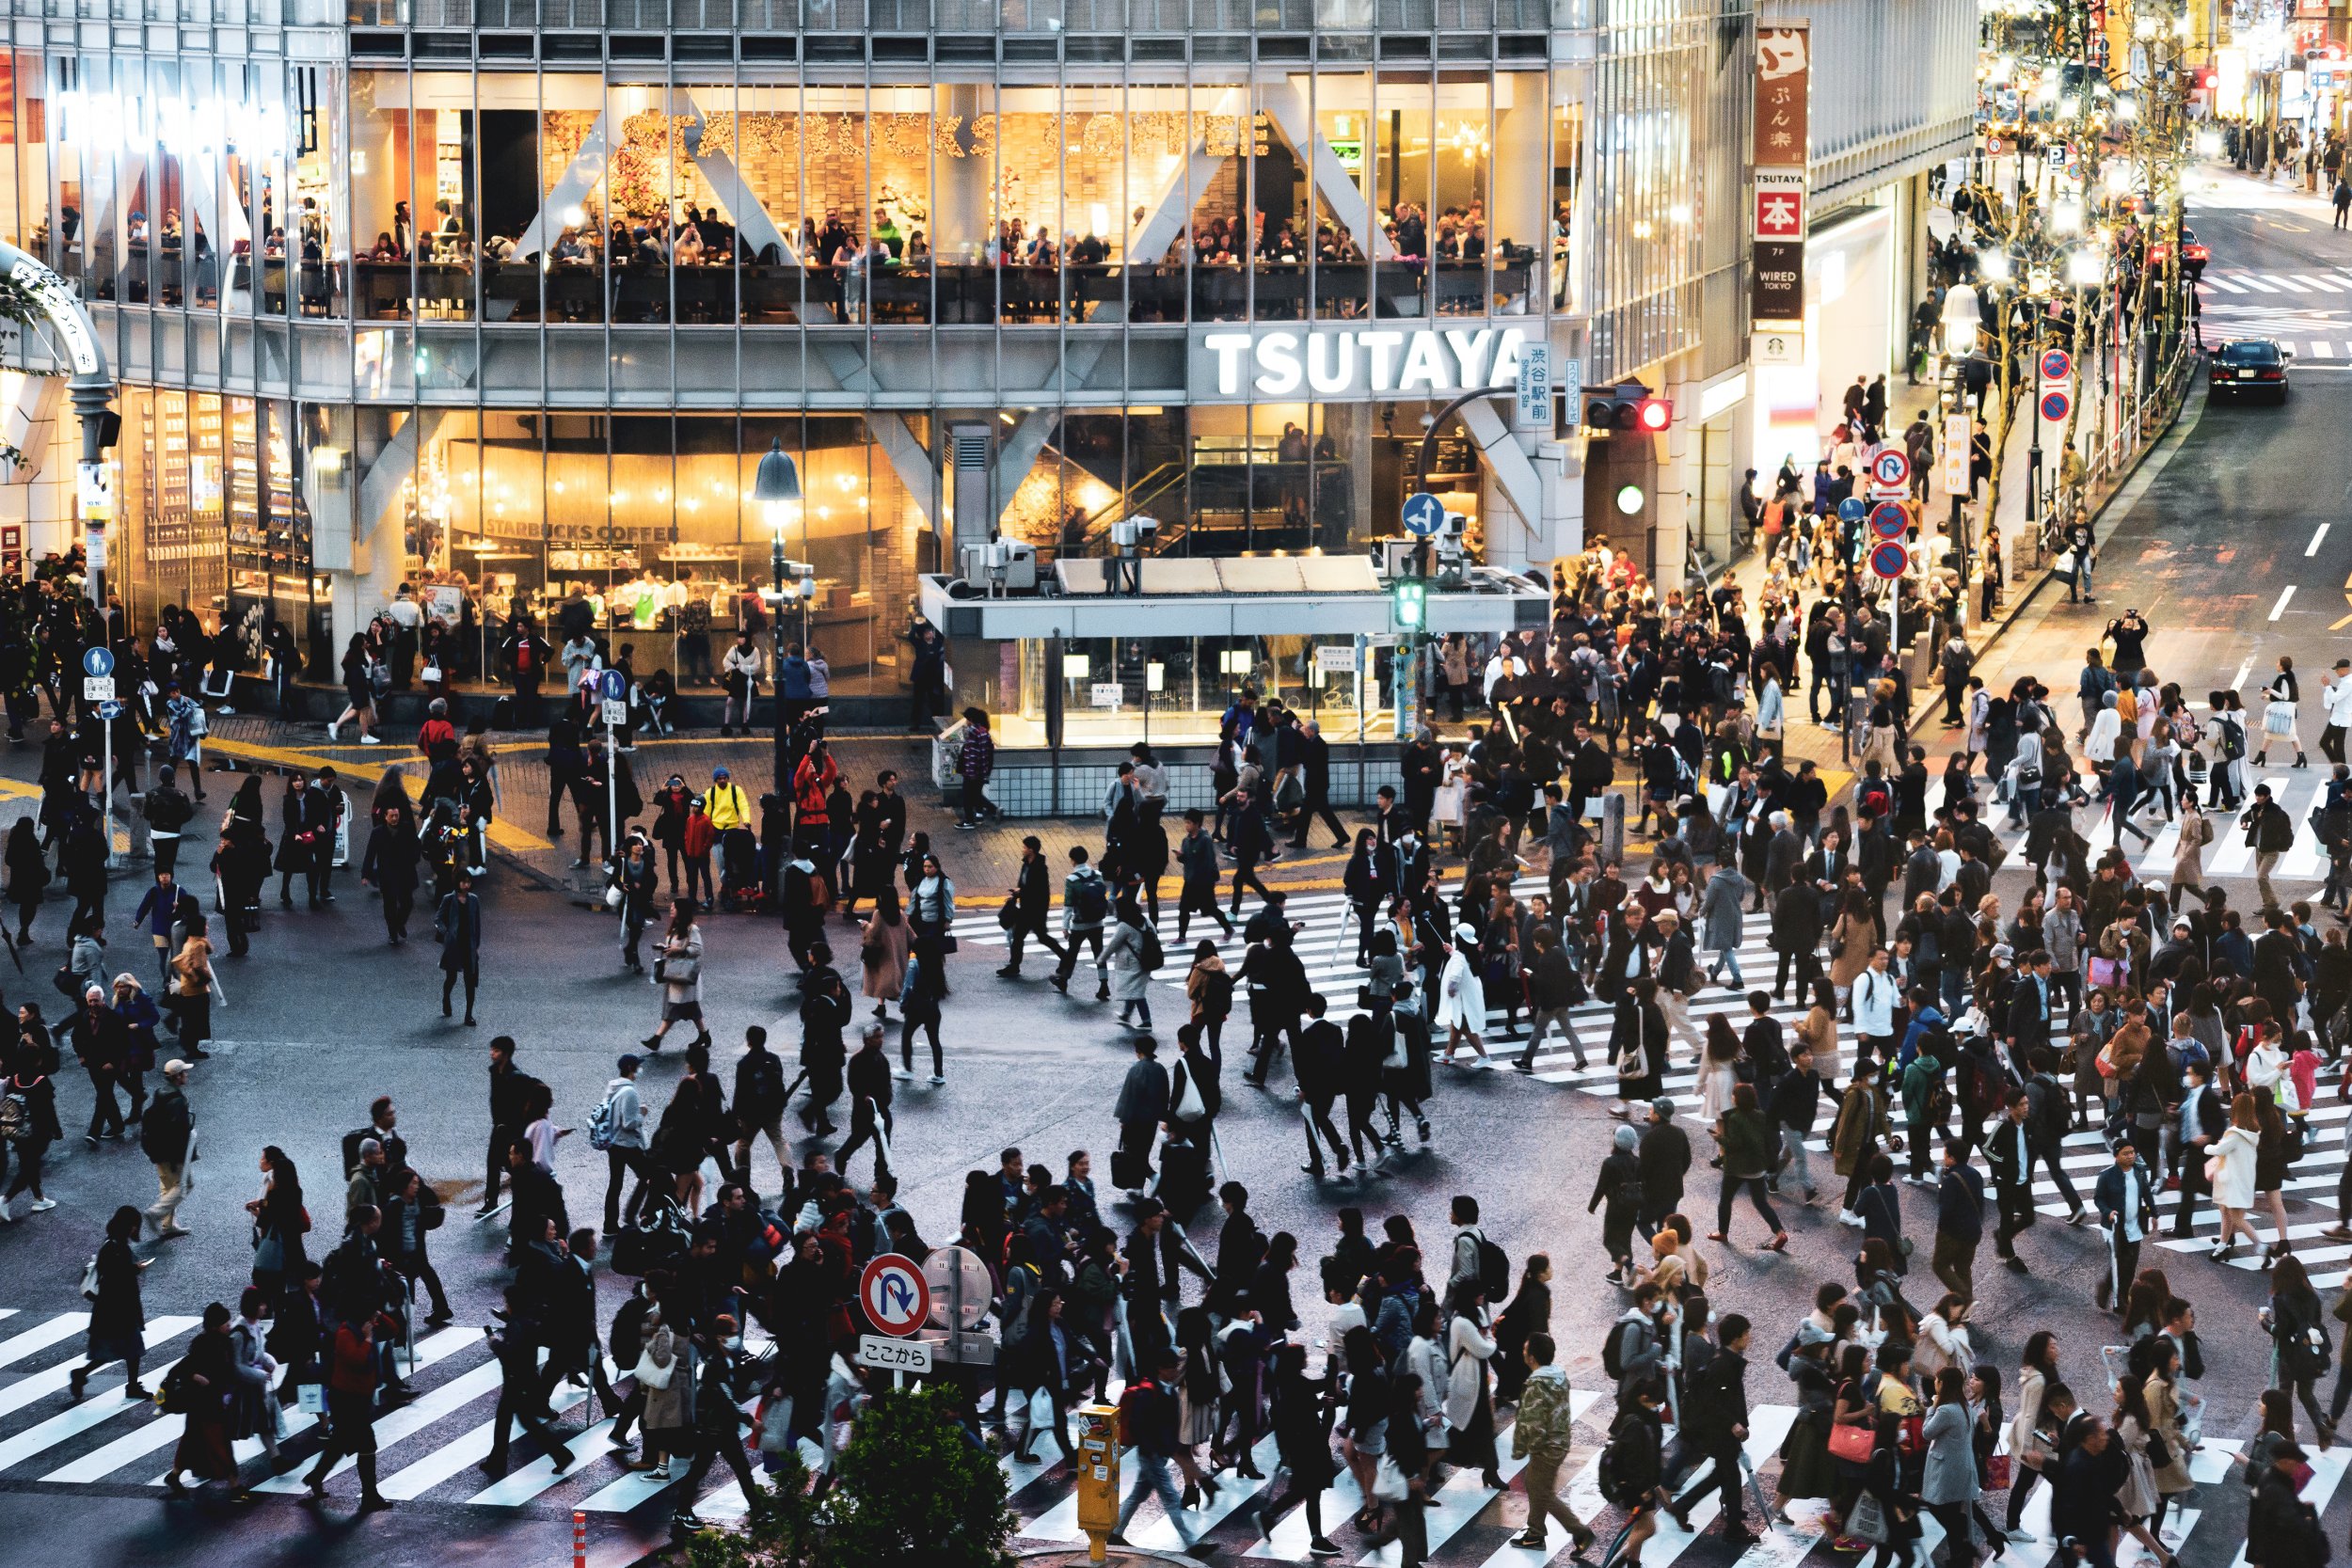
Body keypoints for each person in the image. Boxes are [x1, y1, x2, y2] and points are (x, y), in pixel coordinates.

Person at [70, 1206, 153, 1401]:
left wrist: (132, 1268)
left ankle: (84, 1375)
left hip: (114, 1310)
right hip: (117, 1311)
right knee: (123, 1350)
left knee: (125, 1350)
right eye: (134, 1226)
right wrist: (134, 1269)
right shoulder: (113, 1247)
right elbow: (115, 1277)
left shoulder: (114, 1243)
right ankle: (83, 1375)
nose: (135, 1229)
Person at [644, 898, 711, 1052]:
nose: (671, 909)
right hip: (675, 973)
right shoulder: (675, 928)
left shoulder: (691, 929)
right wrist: (666, 948)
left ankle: (657, 1038)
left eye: (674, 907)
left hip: (683, 974)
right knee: (692, 1009)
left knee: (673, 1008)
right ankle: (704, 1034)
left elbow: (697, 950)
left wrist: (678, 951)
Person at [140, 1056, 197, 1239]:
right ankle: (155, 1214)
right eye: (184, 1072)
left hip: (158, 1151)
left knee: (168, 1187)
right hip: (173, 1154)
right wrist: (178, 1159)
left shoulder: (160, 1093)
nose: (187, 1075)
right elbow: (177, 1133)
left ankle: (168, 1224)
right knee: (185, 1185)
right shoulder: (178, 1102)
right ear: (178, 1076)